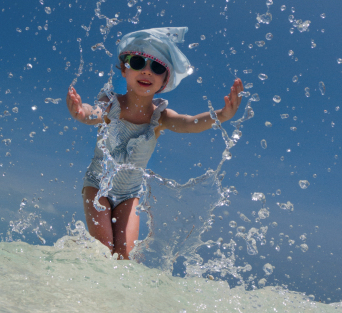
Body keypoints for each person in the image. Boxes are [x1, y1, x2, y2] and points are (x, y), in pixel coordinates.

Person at [65, 26, 244, 259]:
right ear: (124, 68)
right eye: (138, 63)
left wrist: (222, 115)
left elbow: (189, 123)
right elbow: (94, 112)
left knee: (124, 257)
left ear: (164, 81)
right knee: (103, 247)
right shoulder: (111, 104)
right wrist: (82, 112)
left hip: (130, 194)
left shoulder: (160, 117)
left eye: (157, 68)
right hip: (98, 184)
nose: (147, 72)